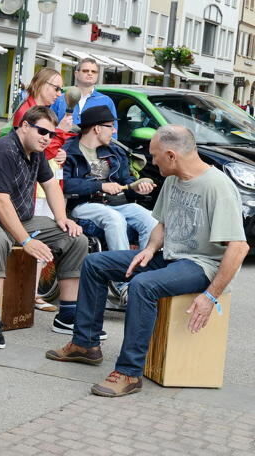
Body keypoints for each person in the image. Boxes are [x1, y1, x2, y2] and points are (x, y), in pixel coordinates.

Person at [47, 125, 248, 397]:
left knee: (143, 285)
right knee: (95, 264)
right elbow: (163, 224)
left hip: (201, 265)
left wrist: (211, 297)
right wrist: (150, 249)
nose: (152, 162)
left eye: (155, 156)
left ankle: (129, 373)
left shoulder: (217, 186)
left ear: (171, 155)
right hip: (168, 257)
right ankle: (86, 344)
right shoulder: (174, 179)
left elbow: (238, 248)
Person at [0, 106, 89, 349]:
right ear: (25, 126)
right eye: (42, 131)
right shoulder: (3, 151)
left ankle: (67, 315)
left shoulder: (36, 153)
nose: (46, 138)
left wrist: (62, 218)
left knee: (75, 238)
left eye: (50, 134)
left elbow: (50, 185)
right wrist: (27, 241)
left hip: (18, 217)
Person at [61, 105, 157, 305]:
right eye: (110, 126)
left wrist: (136, 188)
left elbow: (125, 182)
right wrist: (100, 185)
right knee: (114, 219)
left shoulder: (114, 151)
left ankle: (146, 275)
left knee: (150, 219)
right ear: (97, 128)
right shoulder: (69, 151)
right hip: (84, 204)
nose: (113, 131)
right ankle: (124, 284)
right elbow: (65, 183)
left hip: (116, 203)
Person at [12, 68, 73, 163]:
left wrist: (60, 153)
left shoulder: (36, 109)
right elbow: (38, 153)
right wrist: (60, 131)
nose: (59, 94)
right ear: (40, 84)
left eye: (60, 89)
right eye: (56, 88)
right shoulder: (26, 112)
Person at [68, 58, 118, 130]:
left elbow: (112, 133)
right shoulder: (61, 99)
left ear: (97, 75)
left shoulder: (106, 101)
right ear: (76, 74)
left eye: (94, 71)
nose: (90, 73)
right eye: (85, 71)